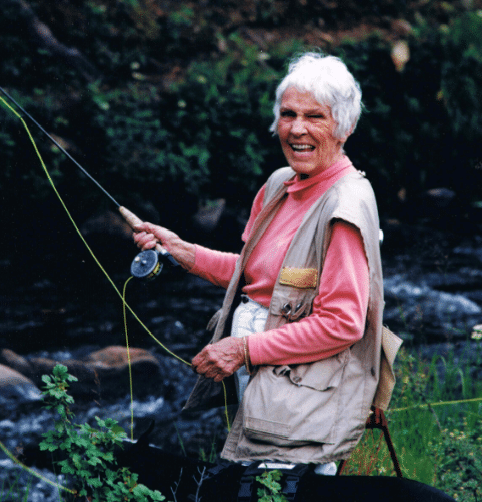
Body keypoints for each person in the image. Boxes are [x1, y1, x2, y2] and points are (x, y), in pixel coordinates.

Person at [133, 53, 386, 470]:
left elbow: (342, 322)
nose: (297, 129)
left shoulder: (347, 204)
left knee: (284, 491)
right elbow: (257, 274)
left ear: (345, 127)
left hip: (305, 392)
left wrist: (244, 349)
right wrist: (182, 251)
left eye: (315, 117)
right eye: (288, 114)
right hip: (260, 376)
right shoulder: (278, 185)